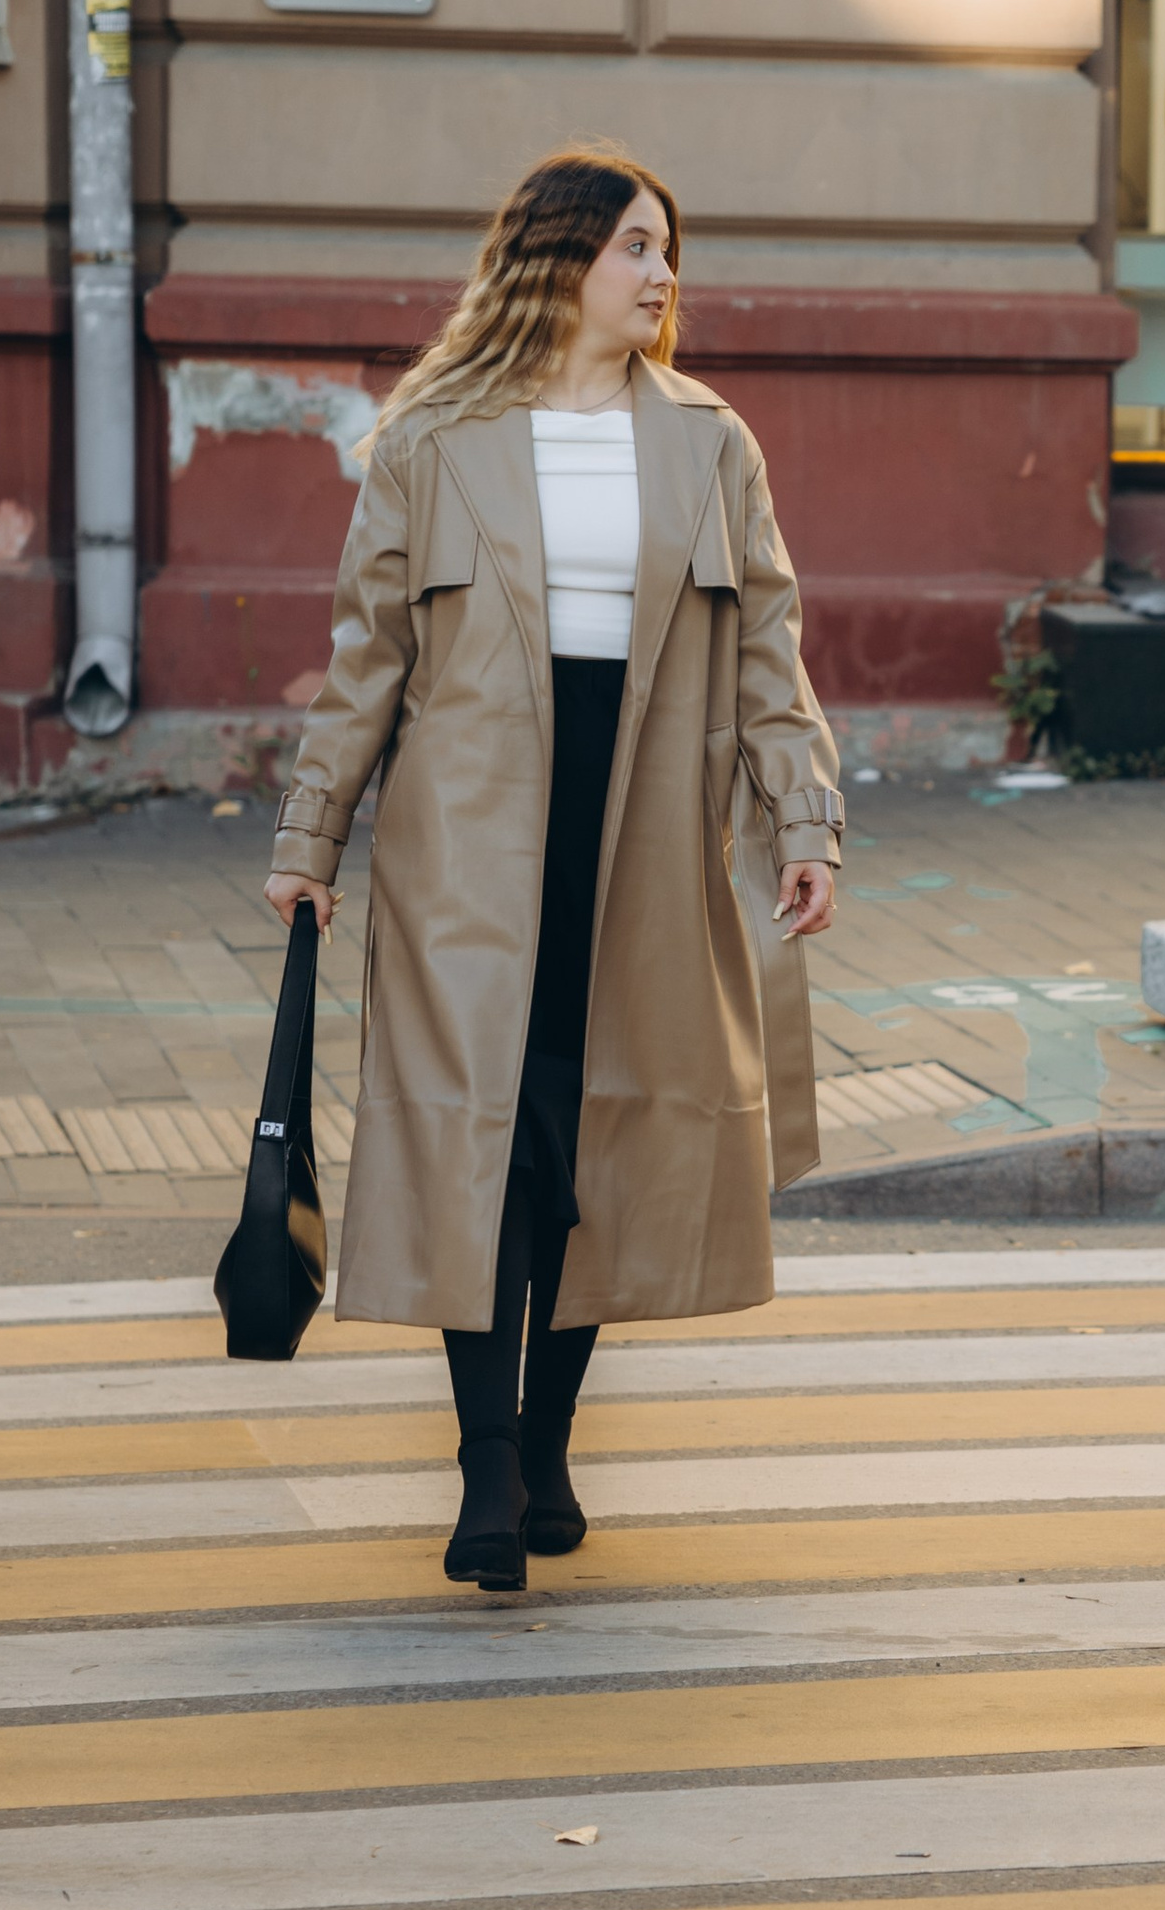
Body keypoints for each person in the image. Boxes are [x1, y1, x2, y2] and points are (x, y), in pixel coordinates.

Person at [263, 143, 842, 1592]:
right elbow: (366, 660)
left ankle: (551, 1431)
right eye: (638, 248)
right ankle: (486, 1465)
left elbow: (769, 652)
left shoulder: (711, 441)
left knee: (601, 1133)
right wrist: (309, 842)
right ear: (561, 258)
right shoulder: (435, 435)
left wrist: (805, 820)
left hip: (645, 827)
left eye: (668, 253)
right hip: (465, 836)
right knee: (488, 1135)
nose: (662, 277)